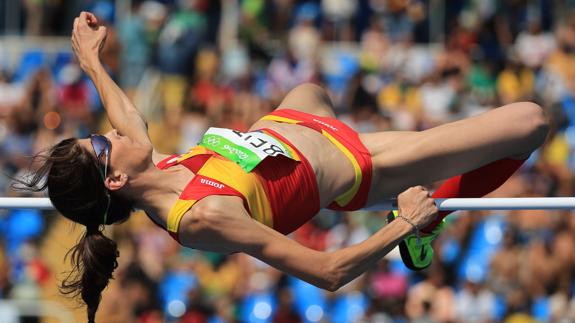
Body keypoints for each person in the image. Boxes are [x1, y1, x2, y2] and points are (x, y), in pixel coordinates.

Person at [18, 12, 548, 323]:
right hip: (357, 162)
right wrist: (404, 222)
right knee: (529, 121)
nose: (110, 132)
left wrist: (90, 60)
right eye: (101, 142)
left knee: (311, 85)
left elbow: (126, 114)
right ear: (116, 179)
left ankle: (422, 214)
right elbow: (327, 273)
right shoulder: (198, 217)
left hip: (299, 116)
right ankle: (428, 226)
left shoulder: (153, 163)